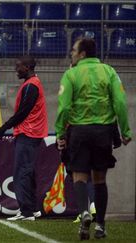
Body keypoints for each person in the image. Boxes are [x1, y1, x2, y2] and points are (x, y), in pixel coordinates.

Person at [55, 38, 132, 240]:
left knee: (79, 177)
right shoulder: (109, 72)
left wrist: (60, 133)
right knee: (100, 180)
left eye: (73, 51)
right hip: (103, 132)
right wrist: (125, 131)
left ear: (82, 54)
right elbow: (121, 102)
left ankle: (84, 214)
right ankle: (100, 225)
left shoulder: (71, 74)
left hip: (79, 132)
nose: (71, 54)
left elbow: (63, 107)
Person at [0, 55, 48, 221]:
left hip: (28, 133)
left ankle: (26, 212)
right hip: (32, 133)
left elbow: (22, 112)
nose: (15, 69)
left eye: (18, 66)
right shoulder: (32, 83)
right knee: (28, 172)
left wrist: (4, 127)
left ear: (27, 67)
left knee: (22, 173)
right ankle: (31, 209)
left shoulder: (31, 86)